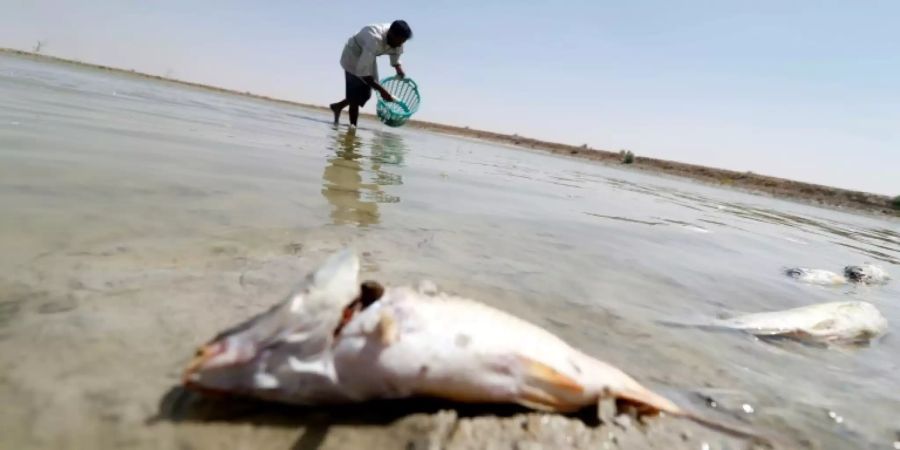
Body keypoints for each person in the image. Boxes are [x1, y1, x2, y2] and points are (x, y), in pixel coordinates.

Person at [330, 20, 413, 127]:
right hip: (353, 54)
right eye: (399, 41)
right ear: (391, 34)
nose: (400, 44)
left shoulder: (398, 41)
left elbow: (396, 52)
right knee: (355, 95)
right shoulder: (374, 39)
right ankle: (352, 130)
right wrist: (382, 91)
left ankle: (338, 106)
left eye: (403, 42)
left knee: (365, 95)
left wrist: (397, 67)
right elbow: (363, 73)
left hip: (368, 57)